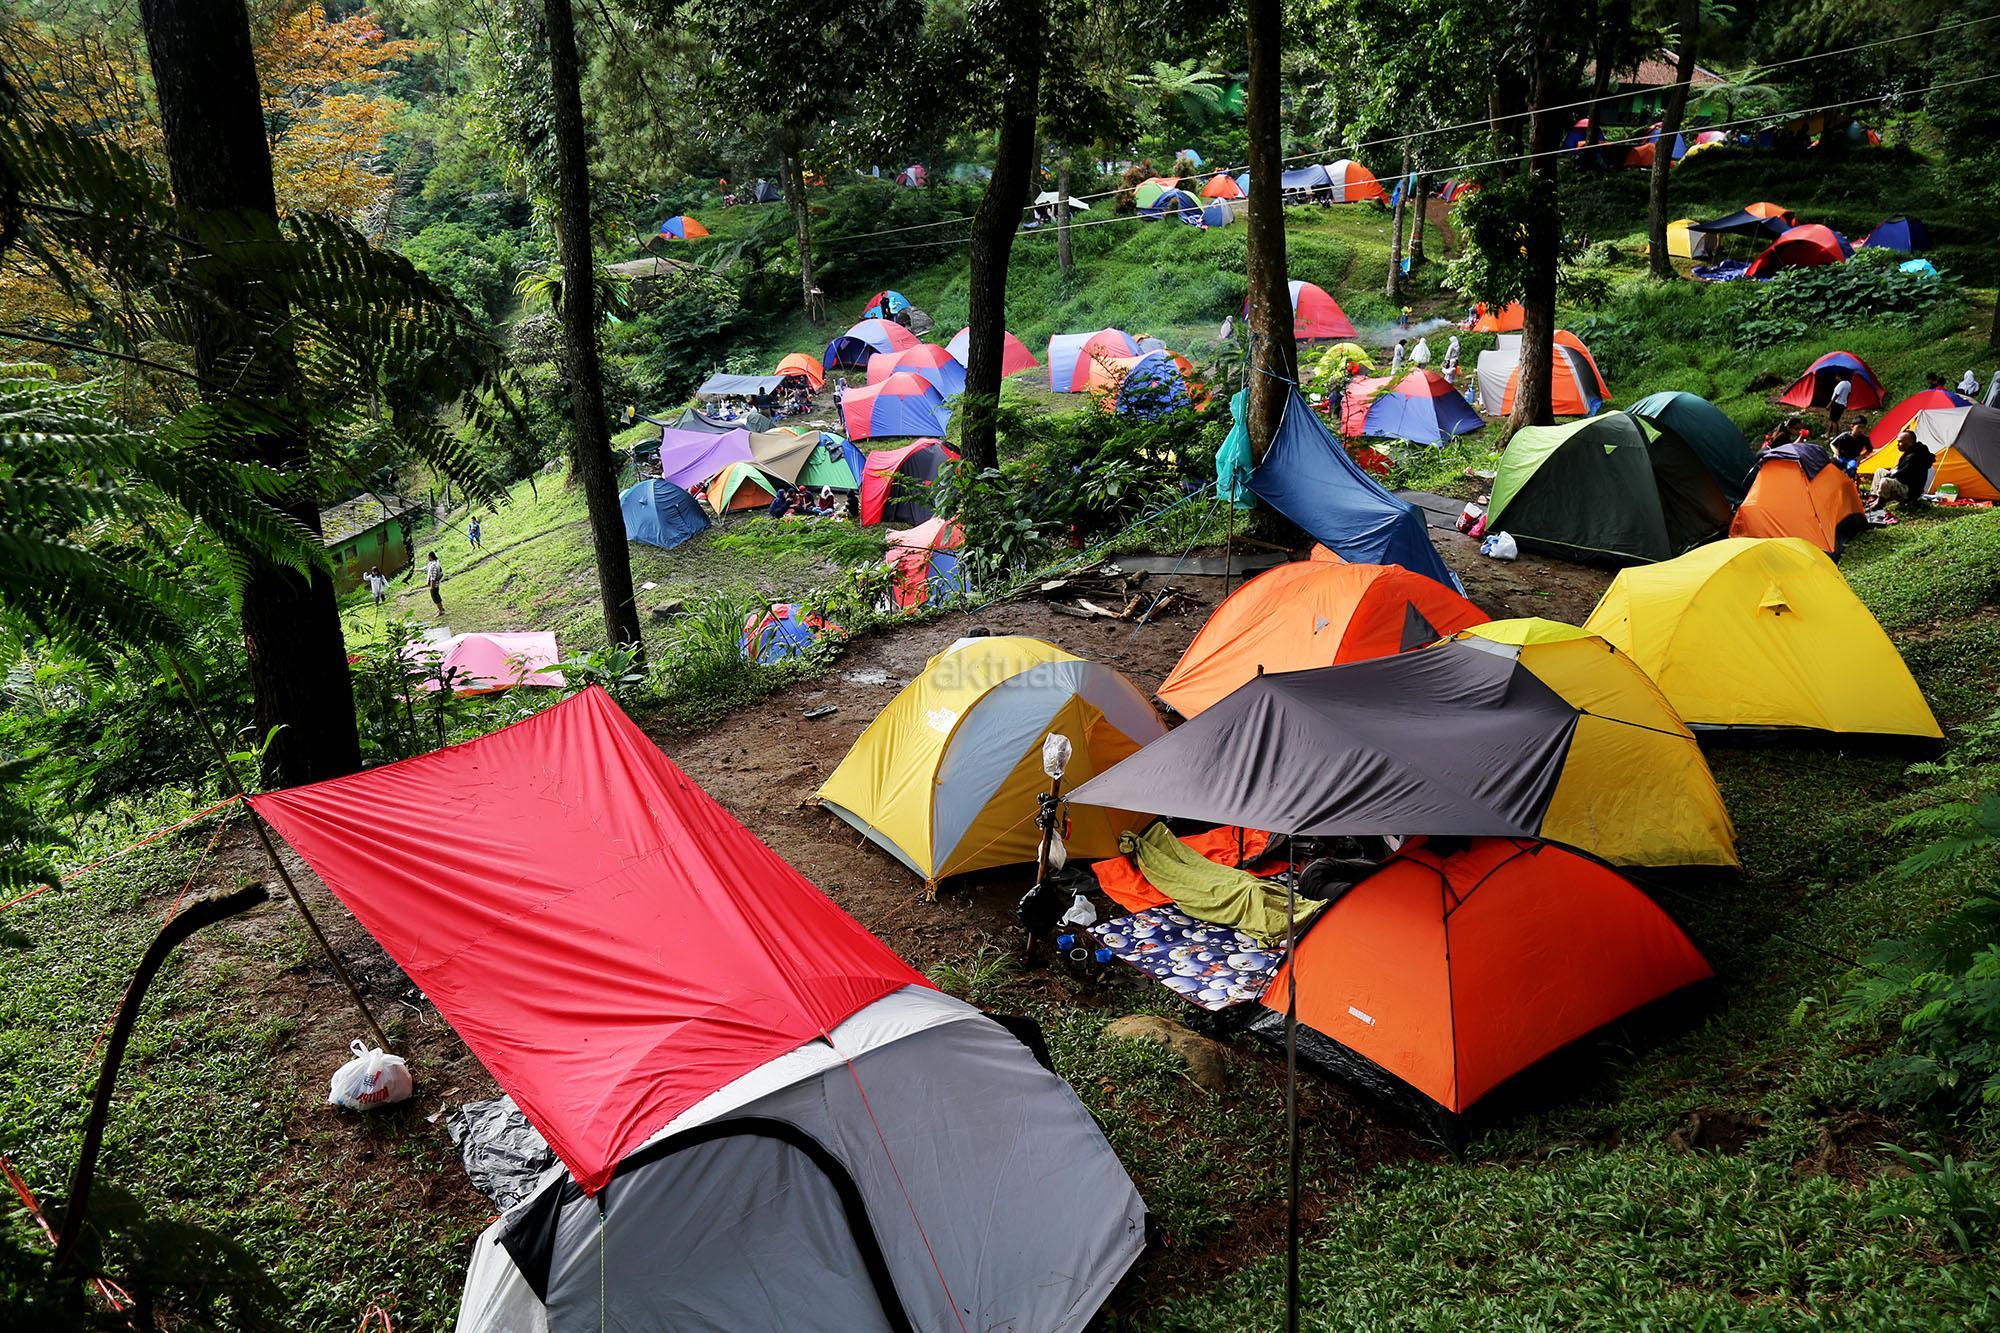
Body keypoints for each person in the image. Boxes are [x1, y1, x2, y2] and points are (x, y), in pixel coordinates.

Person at [1891, 428, 1934, 506]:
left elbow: (1901, 474)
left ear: (1910, 442)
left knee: (1885, 481)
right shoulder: (1911, 452)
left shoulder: (1914, 456)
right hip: (1906, 484)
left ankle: (1880, 502)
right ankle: (1875, 496)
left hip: (1910, 490)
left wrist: (1889, 476)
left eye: (1900, 442)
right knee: (1880, 472)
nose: (1898, 444)